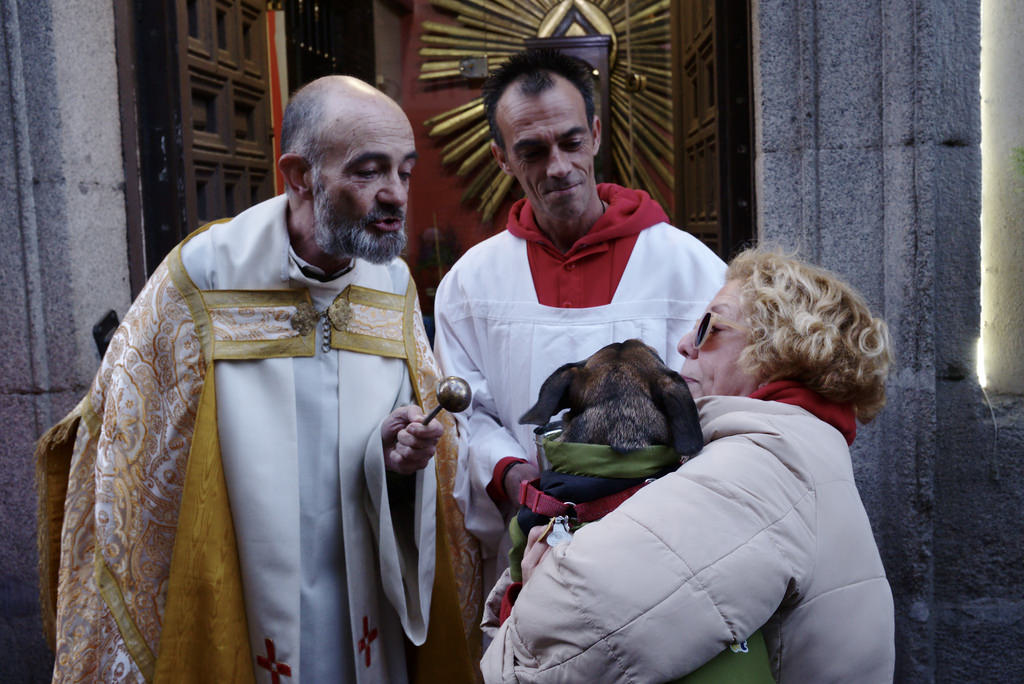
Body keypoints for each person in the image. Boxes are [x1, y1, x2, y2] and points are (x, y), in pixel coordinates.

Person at [36, 76, 479, 683]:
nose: (396, 195)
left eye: (404, 172)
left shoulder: (392, 284)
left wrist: (396, 457)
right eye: (369, 171)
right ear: (299, 176)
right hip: (240, 581)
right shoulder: (205, 276)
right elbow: (133, 450)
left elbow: (411, 446)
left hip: (363, 590)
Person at [481, 248, 896, 683]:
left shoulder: (759, 467)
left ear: (777, 348)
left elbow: (560, 636)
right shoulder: (797, 446)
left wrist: (530, 594)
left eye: (708, 328)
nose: (683, 343)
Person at [432, 49, 726, 584]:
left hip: (666, 543)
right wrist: (513, 474)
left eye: (571, 142)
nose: (558, 167)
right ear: (501, 158)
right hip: (533, 535)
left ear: (594, 133)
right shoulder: (471, 284)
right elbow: (466, 411)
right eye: (532, 151)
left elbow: (726, 399)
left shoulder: (688, 268)